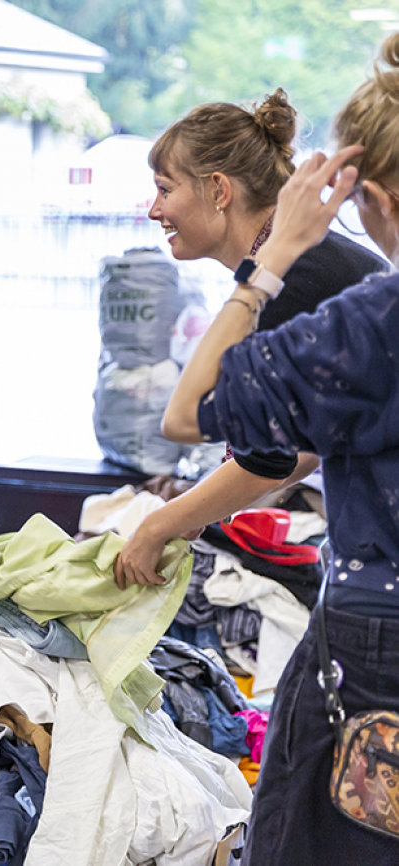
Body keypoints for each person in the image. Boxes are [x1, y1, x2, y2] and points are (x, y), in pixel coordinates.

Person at [159, 35, 399, 863]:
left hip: (376, 624)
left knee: (297, 829)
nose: (153, 210)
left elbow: (208, 420)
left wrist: (270, 262)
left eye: (164, 187)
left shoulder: (349, 299)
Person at [113, 90, 387, 591]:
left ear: (219, 190)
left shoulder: (287, 278)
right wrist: (202, 504)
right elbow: (304, 438)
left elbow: (221, 436)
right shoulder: (308, 264)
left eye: (164, 189)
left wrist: (162, 523)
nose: (155, 210)